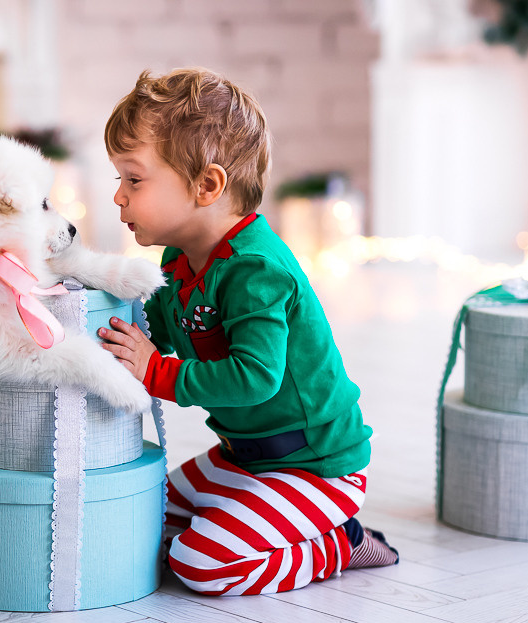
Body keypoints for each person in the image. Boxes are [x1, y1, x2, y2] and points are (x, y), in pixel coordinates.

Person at [97, 67, 398, 596]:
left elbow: (254, 378)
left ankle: (340, 544)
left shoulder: (257, 269)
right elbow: (155, 336)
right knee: (145, 519)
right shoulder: (180, 260)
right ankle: (253, 517)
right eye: (119, 180)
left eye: (134, 179)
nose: (118, 196)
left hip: (315, 467)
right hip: (245, 455)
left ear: (207, 185)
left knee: (199, 564)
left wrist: (155, 371)